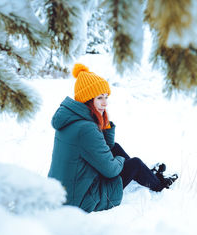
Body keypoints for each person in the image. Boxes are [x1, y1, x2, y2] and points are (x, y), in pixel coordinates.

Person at [48, 63, 178, 213]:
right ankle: (160, 185)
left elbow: (107, 146)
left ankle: (149, 174)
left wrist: (105, 124)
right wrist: (123, 161)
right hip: (80, 199)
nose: (105, 103)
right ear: (87, 99)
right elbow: (111, 170)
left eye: (106, 97)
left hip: (61, 192)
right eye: (99, 98)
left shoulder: (70, 120)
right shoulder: (86, 129)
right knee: (134, 164)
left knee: (115, 147)